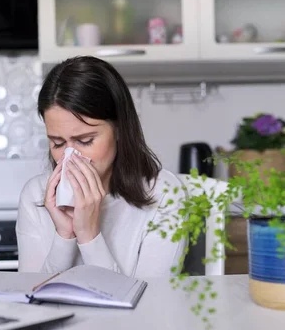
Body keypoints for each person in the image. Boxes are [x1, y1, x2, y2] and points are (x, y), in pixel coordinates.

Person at [15, 56, 186, 278]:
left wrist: (89, 235)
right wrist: (65, 235)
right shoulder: (35, 195)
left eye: (85, 141)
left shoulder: (164, 195)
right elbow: (31, 297)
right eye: (57, 143)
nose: (70, 156)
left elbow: (150, 304)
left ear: (119, 130)